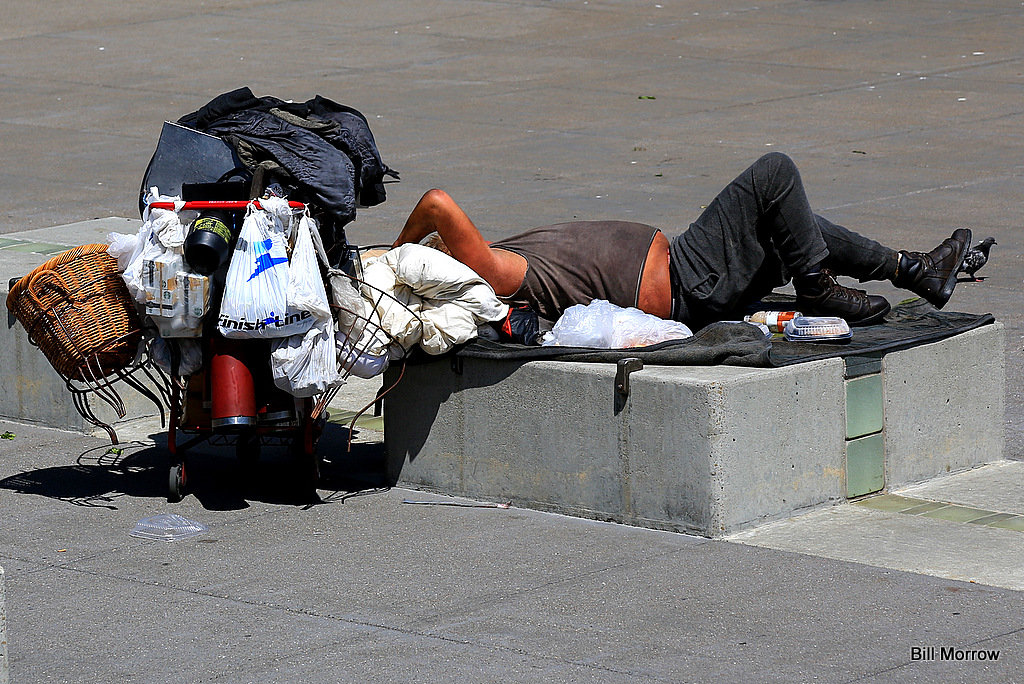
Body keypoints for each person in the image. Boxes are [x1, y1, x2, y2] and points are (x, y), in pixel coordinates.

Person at [391, 152, 972, 330]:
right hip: (690, 279)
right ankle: (818, 289)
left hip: (690, 272)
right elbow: (438, 203)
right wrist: (397, 255)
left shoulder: (508, 260)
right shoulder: (496, 277)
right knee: (774, 174)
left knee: (794, 225)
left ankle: (913, 269)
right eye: (446, 252)